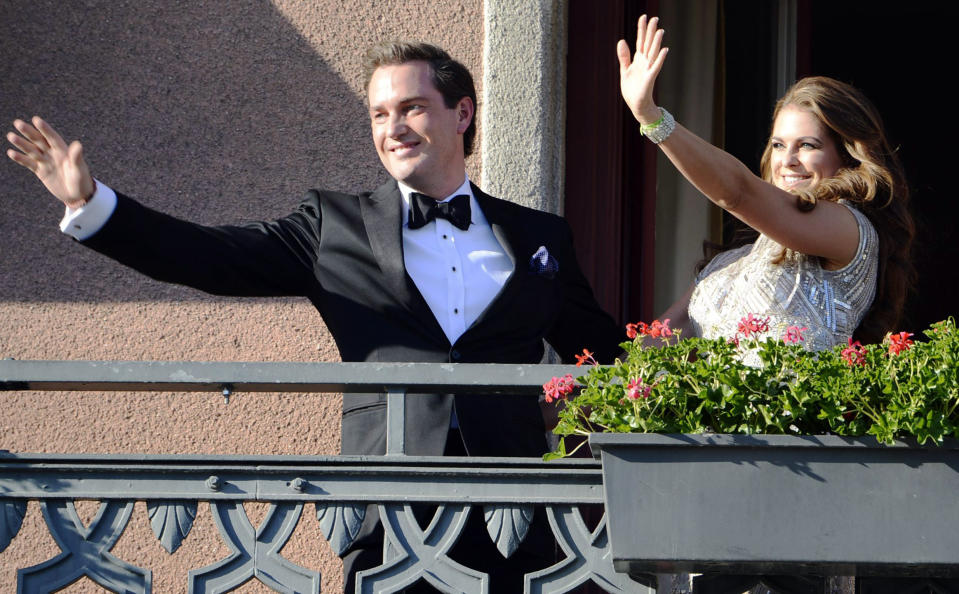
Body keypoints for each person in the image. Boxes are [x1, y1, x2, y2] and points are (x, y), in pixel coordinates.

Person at [6, 42, 624, 592]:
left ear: (461, 114)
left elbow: (601, 349)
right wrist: (94, 206)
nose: (393, 128)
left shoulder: (541, 235)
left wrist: (689, 335)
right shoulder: (334, 224)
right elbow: (211, 258)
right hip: (388, 501)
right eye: (380, 115)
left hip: (515, 506)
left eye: (411, 107)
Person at [619, 15, 914, 351]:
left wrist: (651, 118)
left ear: (847, 157)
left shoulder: (851, 229)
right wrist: (586, 400)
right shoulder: (729, 263)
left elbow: (737, 193)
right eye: (778, 144)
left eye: (807, 145)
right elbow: (662, 341)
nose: (787, 160)